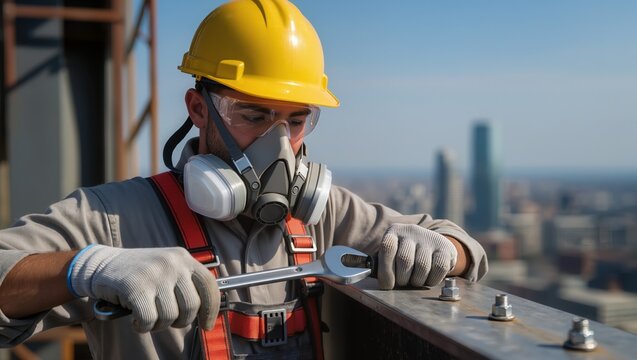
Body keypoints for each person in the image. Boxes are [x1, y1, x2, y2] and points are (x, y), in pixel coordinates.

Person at [0, 0, 487, 358]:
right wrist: (86, 267)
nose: (278, 143)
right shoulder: (113, 219)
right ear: (198, 109)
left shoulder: (325, 216)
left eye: (295, 121)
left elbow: (460, 246)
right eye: (251, 114)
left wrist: (441, 247)